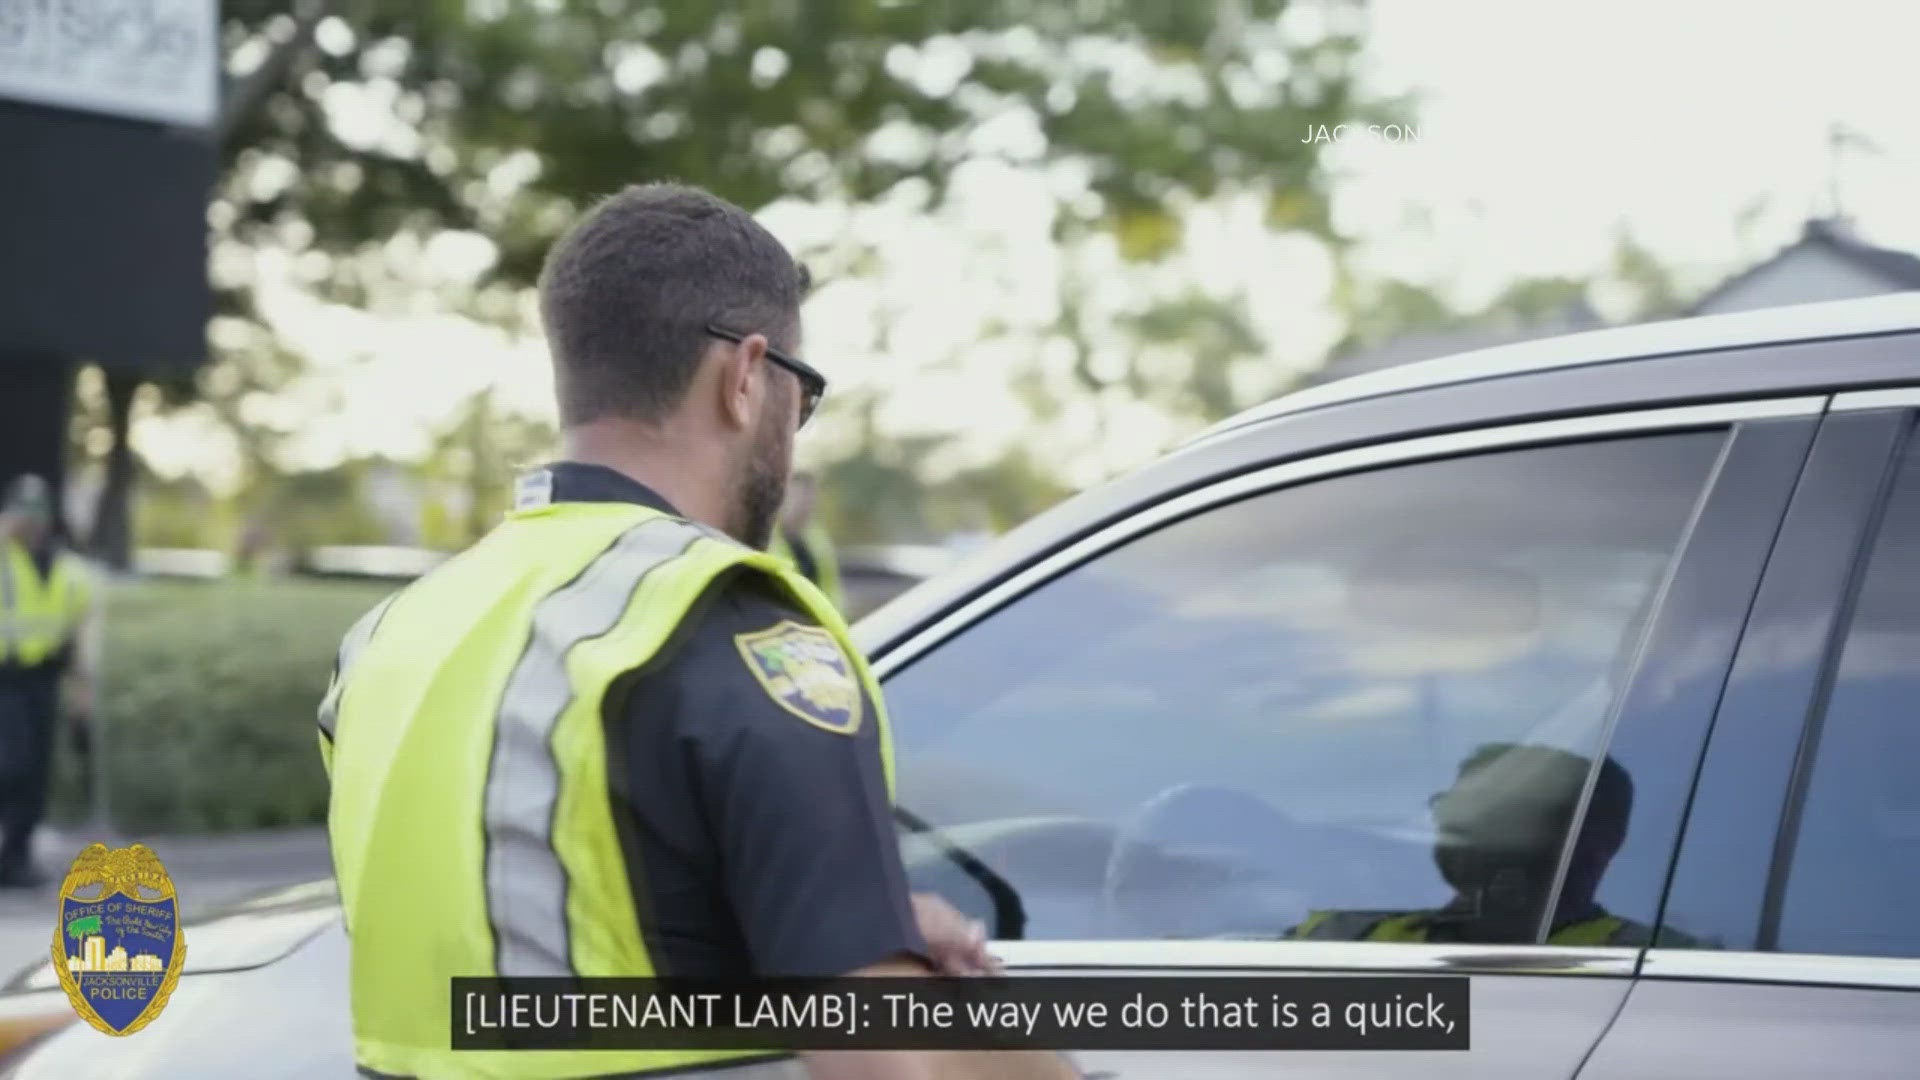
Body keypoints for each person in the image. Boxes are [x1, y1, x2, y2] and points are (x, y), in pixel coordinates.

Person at [319, 184, 1079, 1080]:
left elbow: (533, 919)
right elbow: (887, 1063)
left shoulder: (392, 637)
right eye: (803, 396)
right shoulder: (725, 624)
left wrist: (843, 916)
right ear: (747, 376)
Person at [1291, 743, 1657, 946]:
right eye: (1457, 809)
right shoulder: (1335, 938)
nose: (1463, 827)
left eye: (1507, 815)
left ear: (1599, 843)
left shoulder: (1651, 961)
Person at [0, 474, 95, 889]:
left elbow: (77, 632)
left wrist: (82, 690)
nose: (29, 522)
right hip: (4, 681)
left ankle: (15, 859)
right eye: (22, 511)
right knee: (12, 766)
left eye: (37, 513)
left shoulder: (68, 570)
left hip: (42, 682)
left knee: (35, 774)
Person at [768, 471, 843, 608]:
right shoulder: (770, 541)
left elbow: (831, 589)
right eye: (798, 497)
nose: (804, 504)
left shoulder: (818, 540)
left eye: (809, 496)